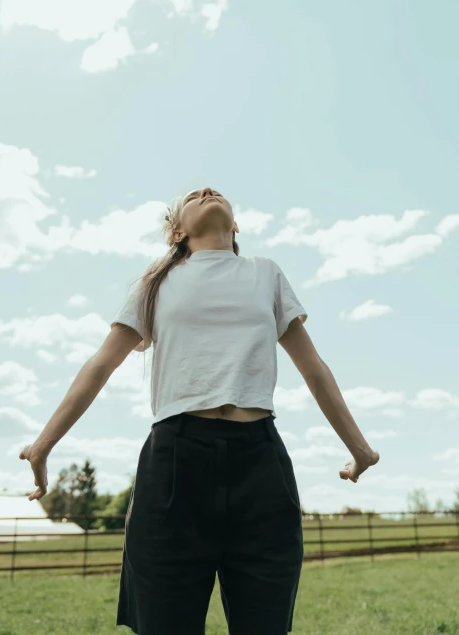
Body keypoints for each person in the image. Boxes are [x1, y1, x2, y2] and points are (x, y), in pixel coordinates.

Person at [19, 186, 380, 634]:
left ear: (236, 225)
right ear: (177, 232)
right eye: (193, 196)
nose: (207, 191)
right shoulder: (156, 284)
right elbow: (100, 365)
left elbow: (314, 370)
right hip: (174, 464)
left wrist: (360, 449)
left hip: (260, 465)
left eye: (216, 193)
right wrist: (43, 444)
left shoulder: (265, 274)